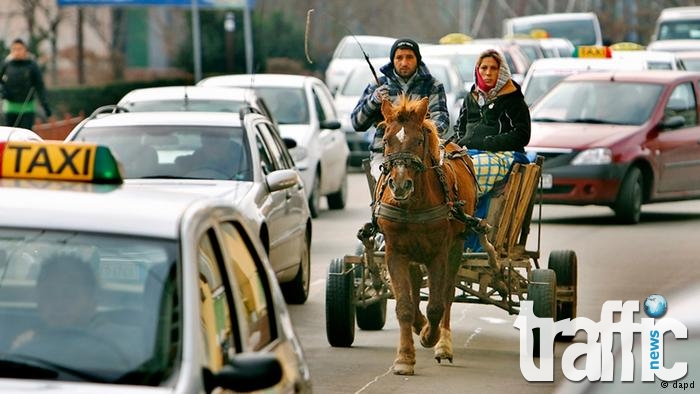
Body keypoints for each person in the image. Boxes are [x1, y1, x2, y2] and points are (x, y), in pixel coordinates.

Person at [351, 38, 450, 181]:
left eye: (409, 57)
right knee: (384, 188)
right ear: (393, 60)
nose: (404, 62)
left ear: (417, 59)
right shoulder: (377, 86)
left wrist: (417, 133)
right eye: (399, 57)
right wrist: (373, 101)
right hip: (384, 154)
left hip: (423, 153)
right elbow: (357, 124)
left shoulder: (433, 86)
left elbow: (441, 121)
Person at [454, 48, 531, 198]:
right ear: (478, 70)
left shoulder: (513, 99)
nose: (488, 73)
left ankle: (471, 211)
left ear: (501, 72)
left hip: (502, 154)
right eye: (484, 68)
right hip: (468, 152)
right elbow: (459, 126)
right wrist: (459, 142)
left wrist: (490, 143)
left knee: (472, 170)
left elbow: (523, 134)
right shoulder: (471, 96)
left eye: (493, 68)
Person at [0, 38, 51, 130]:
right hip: (10, 107)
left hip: (27, 108)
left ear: (25, 50)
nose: (17, 52)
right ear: (11, 51)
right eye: (14, 49)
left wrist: (45, 105)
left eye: (20, 49)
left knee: (24, 137)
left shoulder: (32, 66)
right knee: (10, 138)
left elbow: (40, 86)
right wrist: (2, 90)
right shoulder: (6, 65)